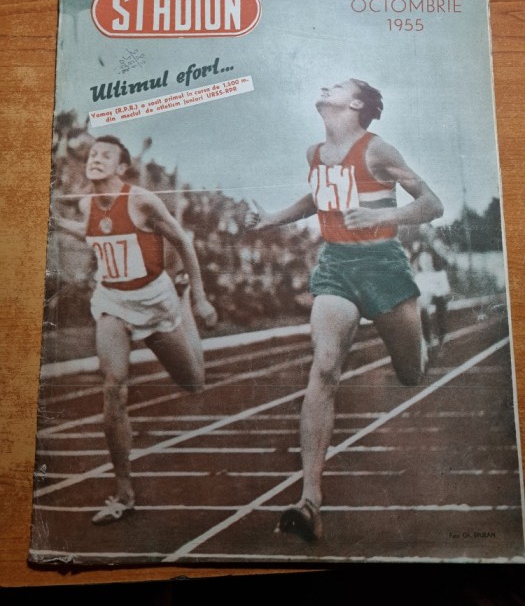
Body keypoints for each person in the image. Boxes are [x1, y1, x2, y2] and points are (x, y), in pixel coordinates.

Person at [246, 78, 443, 542]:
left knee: (411, 372)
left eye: (334, 85)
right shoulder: (315, 154)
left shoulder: (379, 150)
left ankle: (421, 349)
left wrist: (382, 216)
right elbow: (321, 198)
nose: (322, 87)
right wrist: (275, 217)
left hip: (383, 266)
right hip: (336, 265)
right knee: (325, 368)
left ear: (355, 104)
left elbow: (432, 204)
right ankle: (309, 498)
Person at [56, 135, 217, 525]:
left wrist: (197, 295)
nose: (95, 159)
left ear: (122, 168)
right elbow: (93, 232)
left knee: (194, 382)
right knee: (113, 385)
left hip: (156, 300)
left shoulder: (142, 200)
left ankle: (182, 312)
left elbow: (182, 240)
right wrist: (56, 222)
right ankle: (124, 492)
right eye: (92, 154)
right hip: (112, 301)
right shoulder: (85, 203)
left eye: (105, 155)